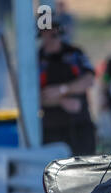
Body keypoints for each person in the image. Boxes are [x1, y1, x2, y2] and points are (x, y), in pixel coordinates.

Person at [39, 20, 96, 156]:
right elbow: (35, 97)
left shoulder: (74, 53)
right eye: (46, 34)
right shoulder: (37, 59)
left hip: (80, 125)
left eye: (54, 34)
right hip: (52, 130)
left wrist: (62, 90)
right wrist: (61, 102)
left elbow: (89, 80)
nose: (51, 38)